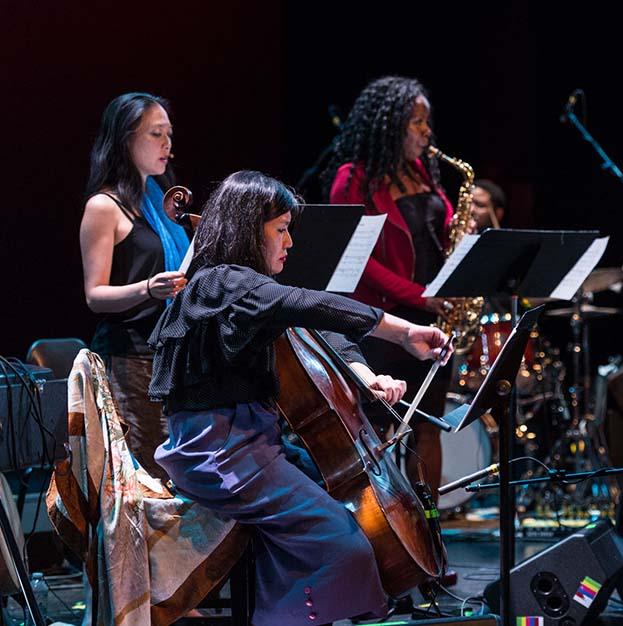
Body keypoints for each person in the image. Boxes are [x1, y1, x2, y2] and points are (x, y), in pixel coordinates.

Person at [148, 170, 450, 625]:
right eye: (281, 230)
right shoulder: (221, 283)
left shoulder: (245, 287)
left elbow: (321, 321)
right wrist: (403, 330)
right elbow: (305, 305)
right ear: (249, 229)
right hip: (221, 456)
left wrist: (363, 373)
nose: (289, 242)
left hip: (252, 444)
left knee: (343, 499)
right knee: (345, 546)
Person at [323, 75, 454, 496]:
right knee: (378, 431)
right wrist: (422, 297)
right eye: (416, 121)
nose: (426, 131)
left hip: (431, 315)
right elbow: (356, 264)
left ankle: (430, 536)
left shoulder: (423, 172)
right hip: (382, 322)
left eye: (426, 121)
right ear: (389, 124)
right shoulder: (354, 179)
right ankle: (386, 534)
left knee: (428, 426)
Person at [79, 92, 190, 480]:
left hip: (173, 354)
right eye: (156, 134)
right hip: (132, 358)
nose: (167, 144)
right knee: (150, 473)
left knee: (181, 472)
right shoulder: (104, 207)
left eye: (169, 134)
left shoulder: (164, 203)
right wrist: (148, 288)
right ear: (126, 140)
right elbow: (95, 296)